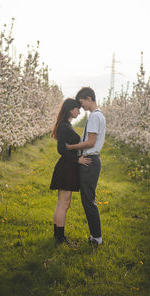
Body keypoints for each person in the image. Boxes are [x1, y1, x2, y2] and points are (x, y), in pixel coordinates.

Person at [66, 87, 106, 245]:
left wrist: (70, 147)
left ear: (88, 98)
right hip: (91, 159)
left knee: (88, 200)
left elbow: (90, 142)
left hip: (89, 161)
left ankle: (97, 238)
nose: (81, 106)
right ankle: (95, 236)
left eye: (82, 103)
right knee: (88, 199)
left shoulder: (95, 117)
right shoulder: (97, 115)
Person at [50, 98, 92, 243]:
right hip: (66, 167)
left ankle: (57, 235)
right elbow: (61, 149)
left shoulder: (67, 125)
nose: (79, 112)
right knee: (64, 203)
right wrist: (78, 160)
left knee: (62, 203)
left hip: (68, 167)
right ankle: (60, 238)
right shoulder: (64, 126)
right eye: (77, 109)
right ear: (69, 109)